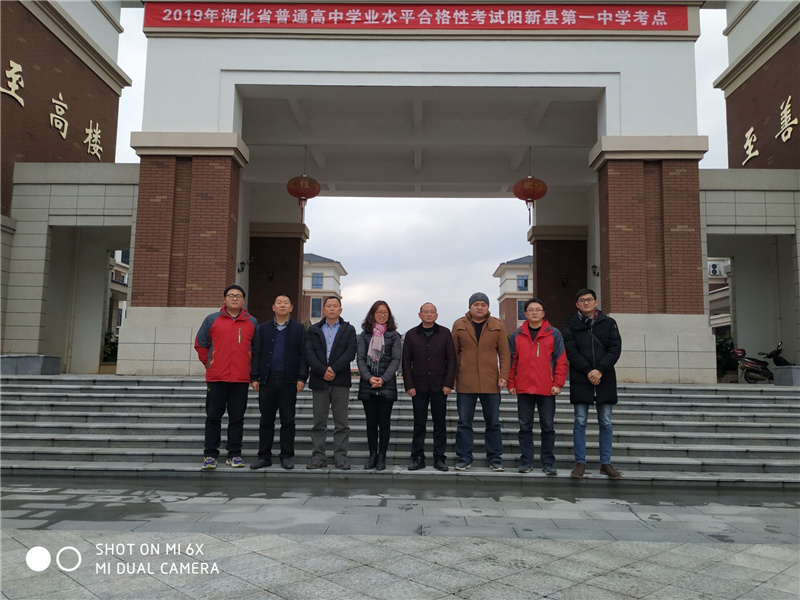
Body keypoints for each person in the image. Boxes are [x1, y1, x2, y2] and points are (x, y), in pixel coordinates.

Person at [194, 284, 258, 470]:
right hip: (217, 378)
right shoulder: (212, 319)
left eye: (238, 296)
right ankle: (210, 455)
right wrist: (210, 363)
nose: (235, 298)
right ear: (224, 299)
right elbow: (201, 344)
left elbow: (257, 349)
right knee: (213, 417)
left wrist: (251, 370)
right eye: (231, 295)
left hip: (240, 378)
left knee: (237, 418)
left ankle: (234, 454)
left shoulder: (251, 322)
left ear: (243, 300)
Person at [563, 288, 623, 479]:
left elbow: (615, 349)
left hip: (605, 378)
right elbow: (571, 350)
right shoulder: (571, 324)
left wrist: (600, 370)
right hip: (581, 378)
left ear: (596, 302)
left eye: (589, 299)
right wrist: (588, 370)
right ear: (577, 304)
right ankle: (580, 462)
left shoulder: (609, 323)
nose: (586, 302)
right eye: (582, 300)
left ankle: (606, 463)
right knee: (580, 421)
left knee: (605, 422)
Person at [451, 292, 511, 471]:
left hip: (490, 381)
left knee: (493, 422)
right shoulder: (459, 324)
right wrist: (453, 378)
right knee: (464, 422)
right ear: (470, 306)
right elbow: (452, 354)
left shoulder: (497, 325)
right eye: (476, 304)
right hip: (465, 380)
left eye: (483, 304)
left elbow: (504, 353)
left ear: (488, 307)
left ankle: (495, 458)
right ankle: (464, 457)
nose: (479, 307)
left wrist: (504, 375)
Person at [508, 298, 567, 476]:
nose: (534, 312)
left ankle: (548, 462)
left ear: (543, 313)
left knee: (547, 427)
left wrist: (558, 383)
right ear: (525, 313)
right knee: (524, 427)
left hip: (546, 388)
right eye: (531, 310)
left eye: (538, 309)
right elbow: (512, 361)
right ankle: (526, 461)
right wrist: (511, 383)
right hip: (524, 388)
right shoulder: (517, 334)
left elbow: (561, 360)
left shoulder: (553, 333)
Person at [250, 294, 308, 471]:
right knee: (266, 420)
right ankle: (264, 456)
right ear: (273, 307)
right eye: (279, 303)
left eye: (286, 303)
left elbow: (303, 355)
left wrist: (302, 378)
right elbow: (257, 353)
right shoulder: (263, 329)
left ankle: (286, 456)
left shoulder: (299, 329)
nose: (282, 305)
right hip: (267, 381)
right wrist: (254, 376)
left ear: (291, 308)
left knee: (288, 420)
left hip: (288, 381)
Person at [304, 296, 357, 470]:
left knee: (341, 423)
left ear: (340, 310)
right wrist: (322, 370)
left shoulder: (348, 329)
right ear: (324, 309)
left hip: (340, 381)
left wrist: (333, 369)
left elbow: (350, 352)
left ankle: (341, 457)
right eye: (329, 306)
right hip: (319, 381)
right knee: (319, 422)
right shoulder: (314, 329)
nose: (332, 309)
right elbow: (309, 352)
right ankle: (318, 457)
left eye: (335, 306)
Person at [402, 302, 456, 472]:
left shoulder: (445, 333)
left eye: (432, 312)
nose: (429, 314)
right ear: (420, 315)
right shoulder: (411, 334)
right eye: (426, 312)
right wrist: (409, 385)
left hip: (440, 386)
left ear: (436, 315)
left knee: (440, 423)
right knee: (419, 423)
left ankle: (439, 458)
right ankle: (418, 457)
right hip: (418, 387)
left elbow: (452, 360)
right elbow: (406, 362)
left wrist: (448, 383)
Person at [356, 301, 402, 471]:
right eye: (378, 312)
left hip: (386, 385)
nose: (382, 315)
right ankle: (372, 455)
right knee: (371, 422)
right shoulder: (365, 335)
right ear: (372, 315)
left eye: (385, 313)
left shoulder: (394, 336)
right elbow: (360, 358)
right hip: (368, 385)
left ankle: (382, 456)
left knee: (384, 422)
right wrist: (369, 378)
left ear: (389, 315)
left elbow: (396, 359)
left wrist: (383, 379)